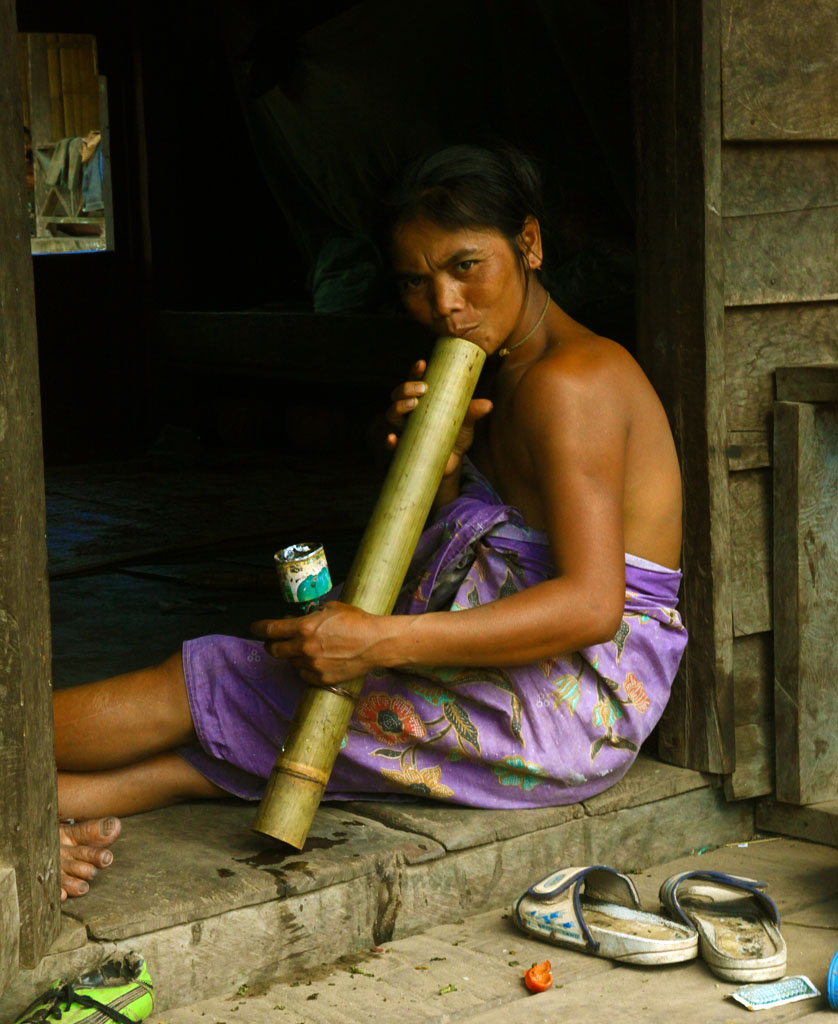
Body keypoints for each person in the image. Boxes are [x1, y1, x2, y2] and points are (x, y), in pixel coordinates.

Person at [54, 144, 687, 837]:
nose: (445, 305)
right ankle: (54, 806)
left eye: (465, 266)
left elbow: (592, 608)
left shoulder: (573, 383)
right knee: (243, 729)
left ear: (529, 243)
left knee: (210, 679)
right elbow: (485, 550)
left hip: (572, 705)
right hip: (551, 701)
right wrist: (438, 471)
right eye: (416, 282)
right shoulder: (504, 371)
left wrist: (378, 641)